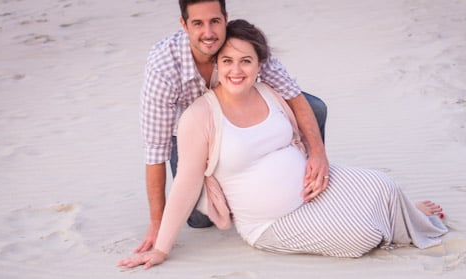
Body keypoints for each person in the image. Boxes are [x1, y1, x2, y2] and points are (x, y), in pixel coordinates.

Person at [118, 19, 448, 270]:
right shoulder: (199, 116)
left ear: (260, 66)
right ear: (216, 64)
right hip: (270, 222)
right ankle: (391, 222)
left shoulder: (269, 92)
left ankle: (405, 216)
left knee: (384, 185)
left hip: (312, 191)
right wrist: (161, 247)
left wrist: (317, 156)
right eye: (228, 61)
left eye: (246, 61)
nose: (236, 70)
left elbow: (303, 118)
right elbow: (185, 186)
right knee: (360, 236)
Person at [135, 0, 329, 254]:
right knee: (201, 219)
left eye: (215, 21)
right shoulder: (164, 67)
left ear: (225, 18)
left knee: (315, 108)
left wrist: (318, 153)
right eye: (197, 23)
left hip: (238, 116)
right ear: (184, 25)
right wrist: (157, 224)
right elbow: (156, 150)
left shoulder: (238, 42)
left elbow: (293, 94)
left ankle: (310, 175)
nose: (208, 33)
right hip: (190, 133)